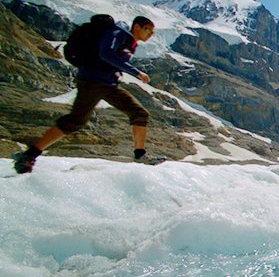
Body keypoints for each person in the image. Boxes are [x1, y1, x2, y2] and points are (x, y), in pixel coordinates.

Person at [12, 16, 165, 174]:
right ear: (137, 26)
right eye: (148, 30)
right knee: (76, 120)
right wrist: (136, 72)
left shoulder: (128, 40)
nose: (150, 35)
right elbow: (105, 53)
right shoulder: (118, 33)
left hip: (108, 84)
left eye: (152, 32)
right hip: (92, 82)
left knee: (139, 113)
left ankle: (140, 155)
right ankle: (29, 155)